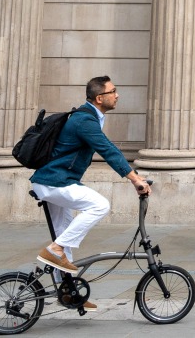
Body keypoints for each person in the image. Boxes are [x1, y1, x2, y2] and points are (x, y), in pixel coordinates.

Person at [31, 75, 150, 312]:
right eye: (113, 91)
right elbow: (108, 150)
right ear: (99, 97)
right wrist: (135, 178)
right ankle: (55, 250)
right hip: (55, 182)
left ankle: (67, 292)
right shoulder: (85, 120)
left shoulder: (87, 117)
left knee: (65, 237)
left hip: (54, 181)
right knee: (100, 205)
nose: (117, 95)